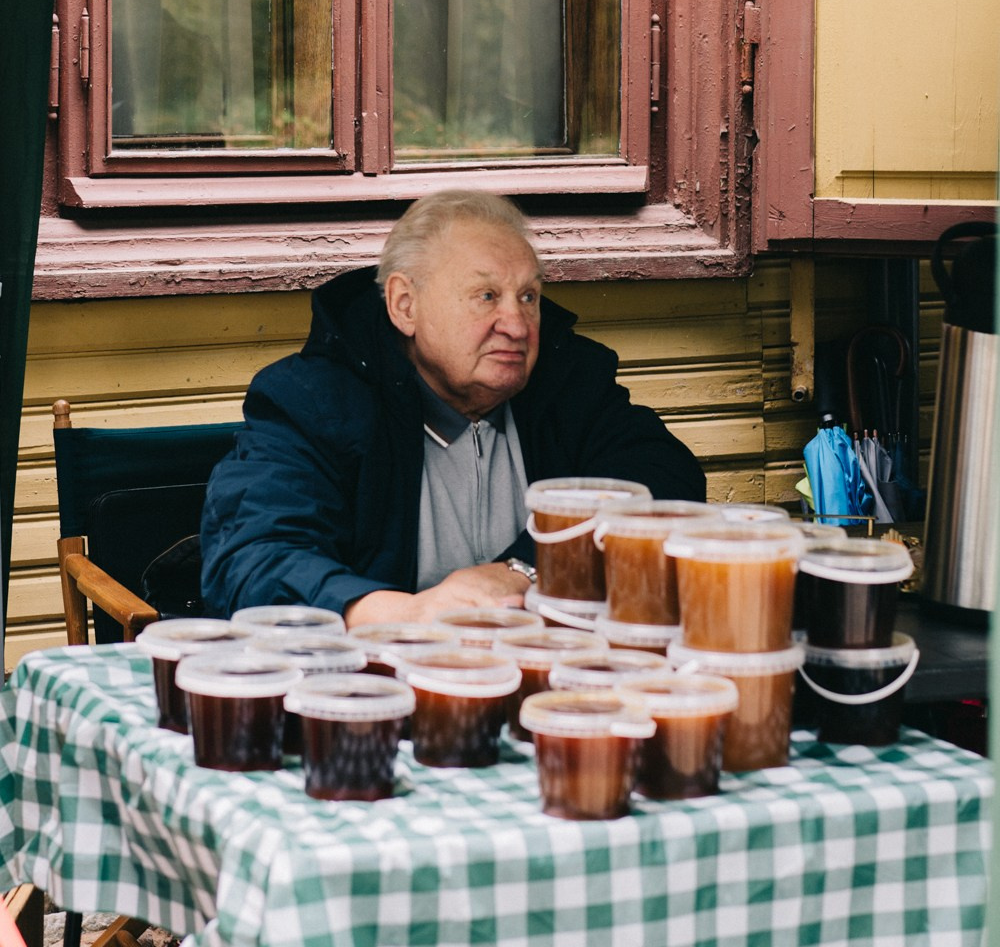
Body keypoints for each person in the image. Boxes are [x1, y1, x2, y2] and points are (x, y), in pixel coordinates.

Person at [200, 189, 705, 625]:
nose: (517, 323)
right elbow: (254, 558)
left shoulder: (566, 382)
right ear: (405, 305)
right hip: (379, 693)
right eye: (486, 295)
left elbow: (664, 482)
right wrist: (404, 615)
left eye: (528, 296)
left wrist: (522, 569)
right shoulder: (315, 401)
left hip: (546, 684)